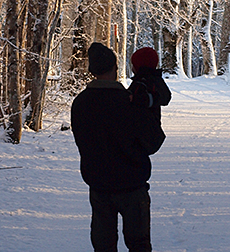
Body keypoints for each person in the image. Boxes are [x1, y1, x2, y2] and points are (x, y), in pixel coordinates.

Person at [71, 42, 166, 252]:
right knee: (139, 245)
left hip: (99, 186)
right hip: (132, 186)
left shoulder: (80, 103)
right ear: (115, 68)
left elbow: (82, 141)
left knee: (103, 246)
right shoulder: (129, 102)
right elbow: (153, 142)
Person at [128, 47, 172, 122]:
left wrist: (135, 99)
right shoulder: (151, 79)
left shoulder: (144, 82)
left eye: (133, 65)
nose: (132, 68)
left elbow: (164, 97)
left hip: (144, 126)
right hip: (151, 126)